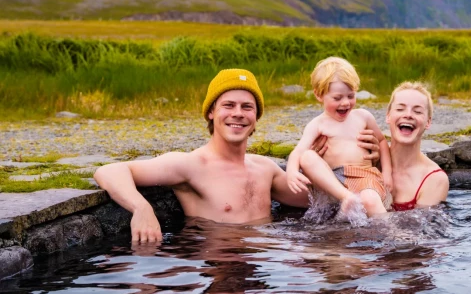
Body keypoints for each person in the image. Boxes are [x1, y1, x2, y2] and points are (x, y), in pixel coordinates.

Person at [94, 68, 382, 242]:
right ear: (211, 111)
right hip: (221, 262)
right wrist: (142, 209)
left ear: (256, 117)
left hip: (267, 266)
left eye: (247, 107)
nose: (238, 114)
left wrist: (363, 158)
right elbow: (109, 171)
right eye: (228, 105)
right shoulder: (190, 165)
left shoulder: (264, 168)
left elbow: (318, 199)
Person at [286, 57, 392, 217]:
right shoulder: (317, 124)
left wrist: (387, 173)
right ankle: (347, 197)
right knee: (307, 156)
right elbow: (299, 151)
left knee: (369, 199)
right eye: (337, 98)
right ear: (319, 95)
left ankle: (391, 232)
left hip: (364, 176)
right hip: (333, 181)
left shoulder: (363, 117)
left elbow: (382, 141)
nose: (345, 103)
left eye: (350, 96)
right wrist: (291, 171)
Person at [386, 81, 449, 210]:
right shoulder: (370, 158)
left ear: (428, 122)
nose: (408, 115)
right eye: (400, 109)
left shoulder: (435, 179)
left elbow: (417, 229)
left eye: (418, 111)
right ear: (388, 116)